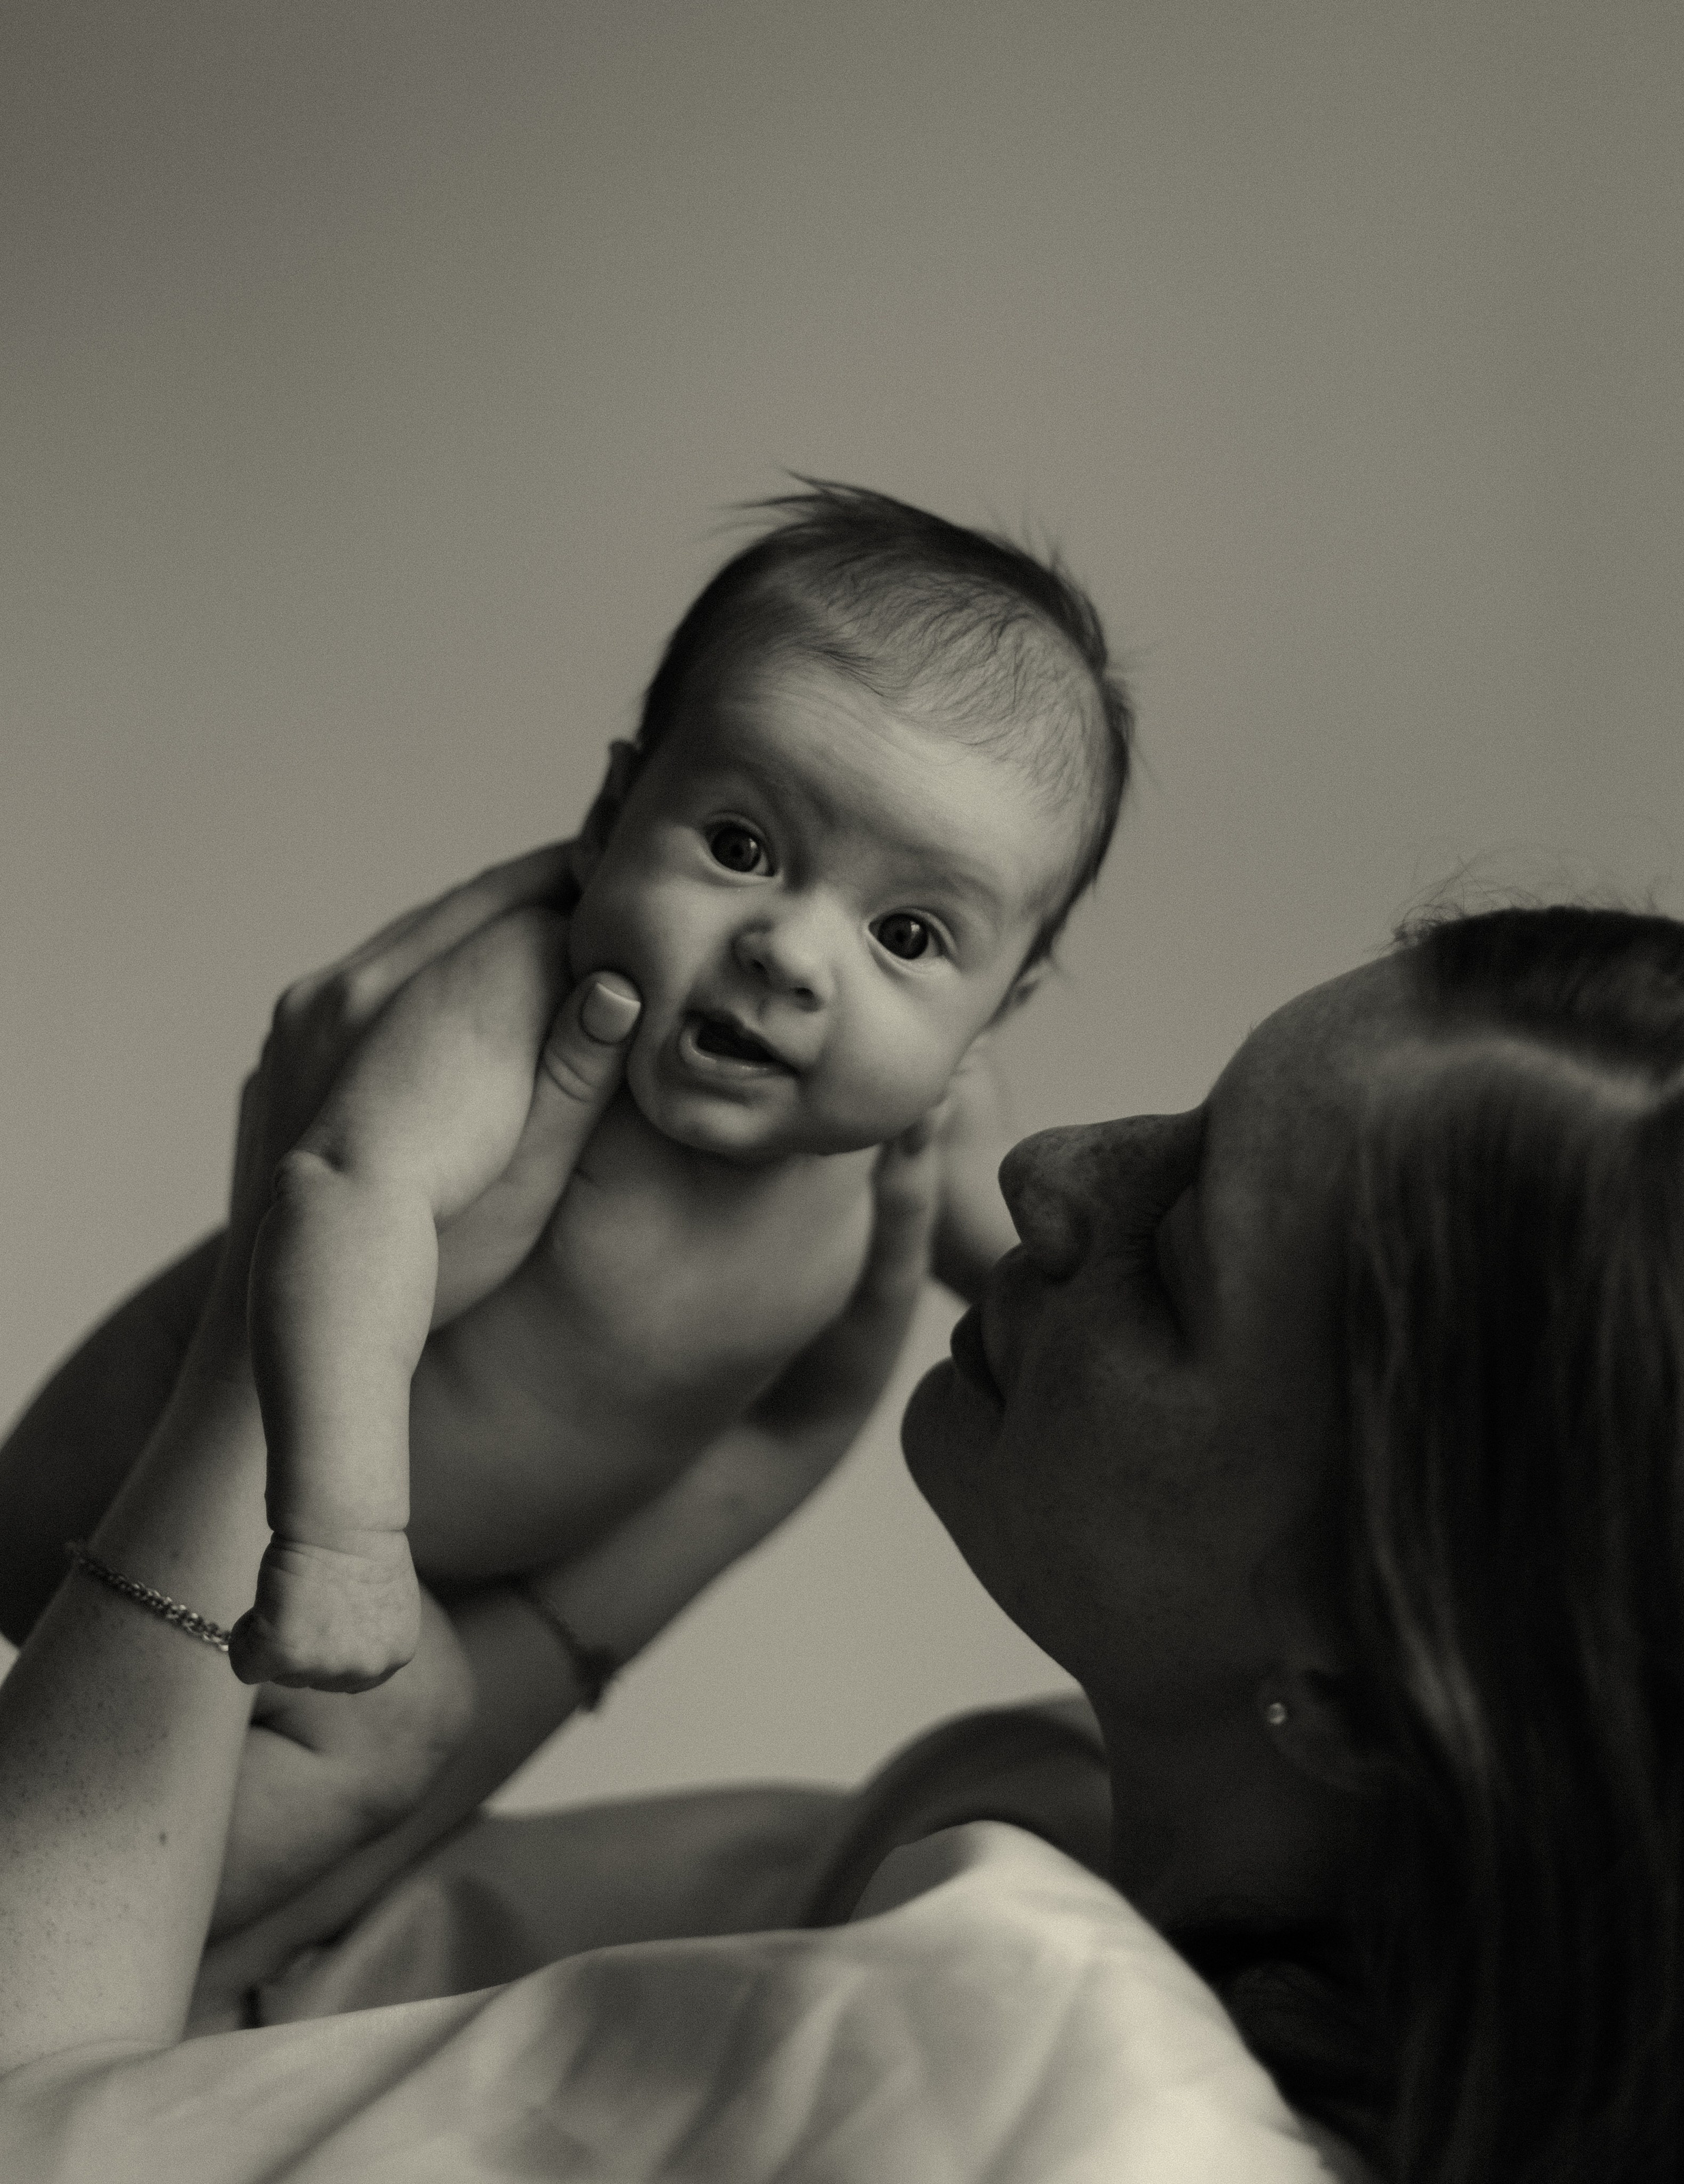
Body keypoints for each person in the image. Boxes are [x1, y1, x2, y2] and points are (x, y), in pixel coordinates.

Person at [5, 863, 1684, 2184]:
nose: (1051, 1169)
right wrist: (690, 1522)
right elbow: (302, 1975)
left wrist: (299, 1296)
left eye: (1181, 1252)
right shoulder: (1084, 1823)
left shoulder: (1032, 2065)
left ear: (1372, 1690)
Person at [97, 481, 1134, 1697]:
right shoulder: (534, 997)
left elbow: (1055, 1293)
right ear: (610, 815)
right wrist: (342, 1540)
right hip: (185, 1498)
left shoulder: (927, 1121)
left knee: (407, 1749)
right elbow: (348, 1189)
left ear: (998, 1007)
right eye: (740, 849)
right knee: (398, 1733)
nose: (790, 954)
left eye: (905, 933)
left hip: (412, 1600)